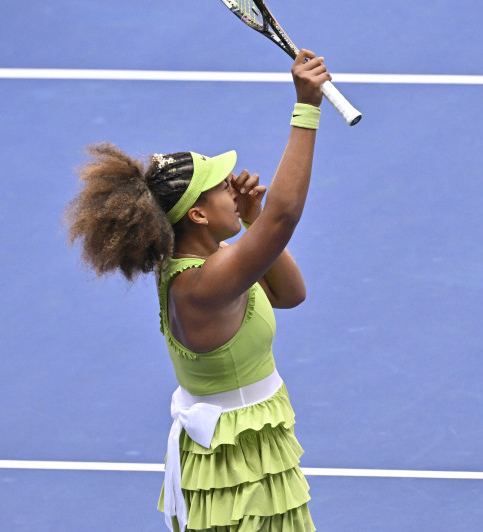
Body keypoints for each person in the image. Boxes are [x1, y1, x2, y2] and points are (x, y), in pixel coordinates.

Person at [64, 49, 329, 532]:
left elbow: (291, 294)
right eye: (219, 186)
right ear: (199, 216)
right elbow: (285, 216)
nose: (234, 185)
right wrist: (306, 107)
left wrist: (250, 218)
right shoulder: (206, 283)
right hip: (240, 471)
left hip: (251, 453)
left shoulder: (209, 269)